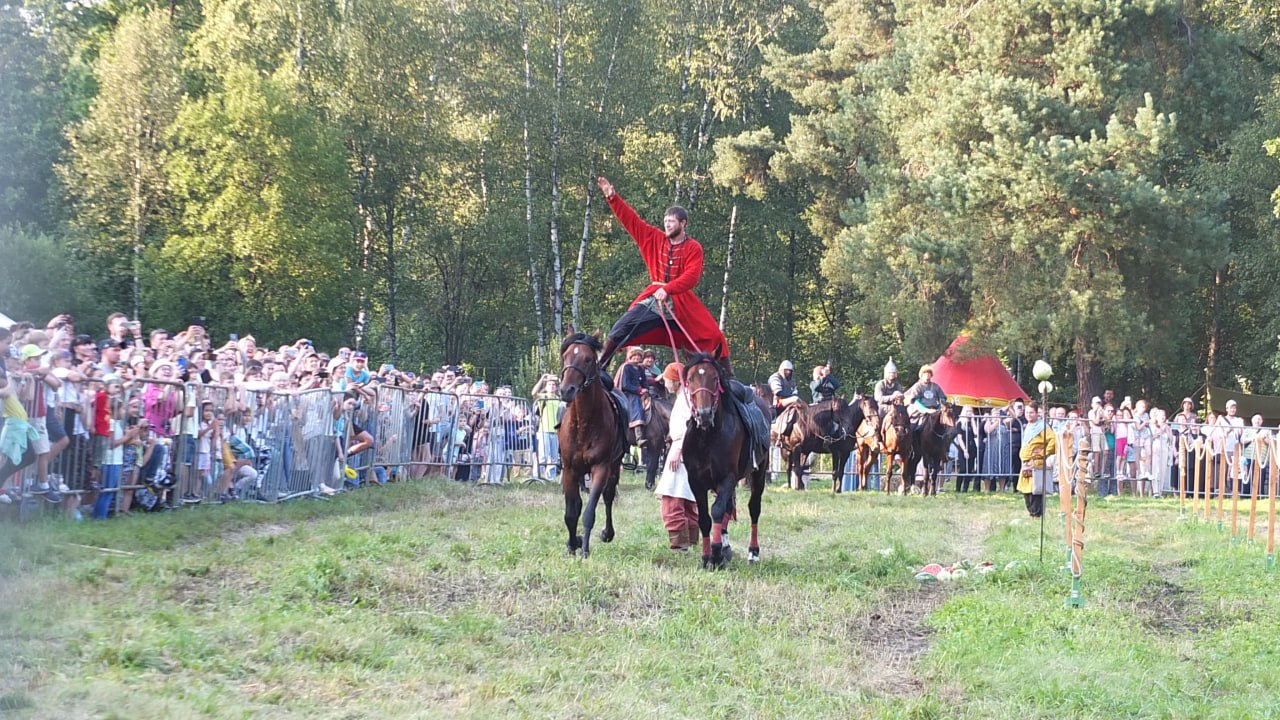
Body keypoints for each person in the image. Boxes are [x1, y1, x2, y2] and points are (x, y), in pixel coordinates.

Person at [592, 177, 731, 376]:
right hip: (653, 298)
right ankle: (599, 369)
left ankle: (728, 380)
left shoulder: (694, 248)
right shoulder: (653, 238)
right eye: (665, 221)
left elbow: (692, 276)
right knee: (621, 327)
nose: (667, 225)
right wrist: (612, 197)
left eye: (671, 222)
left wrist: (667, 289)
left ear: (683, 224)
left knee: (714, 336)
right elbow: (632, 221)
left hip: (682, 302)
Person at [654, 362, 699, 551]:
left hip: (682, 453)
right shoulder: (685, 397)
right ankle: (691, 541)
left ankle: (680, 545)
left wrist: (678, 449)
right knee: (687, 499)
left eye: (666, 380)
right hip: (686, 452)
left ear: (675, 380)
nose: (664, 384)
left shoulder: (687, 399)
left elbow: (690, 426)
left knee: (672, 499)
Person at [1017, 401, 1056, 518]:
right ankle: (1031, 513)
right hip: (1026, 463)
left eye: (1031, 412)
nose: (1029, 415)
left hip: (1035, 462)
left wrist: (1044, 452)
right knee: (1026, 491)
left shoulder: (1042, 427)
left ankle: (1037, 515)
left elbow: (1053, 440)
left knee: (1035, 490)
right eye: (1027, 412)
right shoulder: (1028, 426)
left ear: (1036, 413)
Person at [617, 347, 648, 447]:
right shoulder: (627, 367)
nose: (637, 357)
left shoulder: (640, 369)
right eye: (634, 355)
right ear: (630, 356)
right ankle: (639, 436)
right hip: (629, 394)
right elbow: (626, 384)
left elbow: (644, 381)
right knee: (636, 405)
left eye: (639, 355)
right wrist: (639, 390)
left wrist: (646, 389)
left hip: (641, 393)